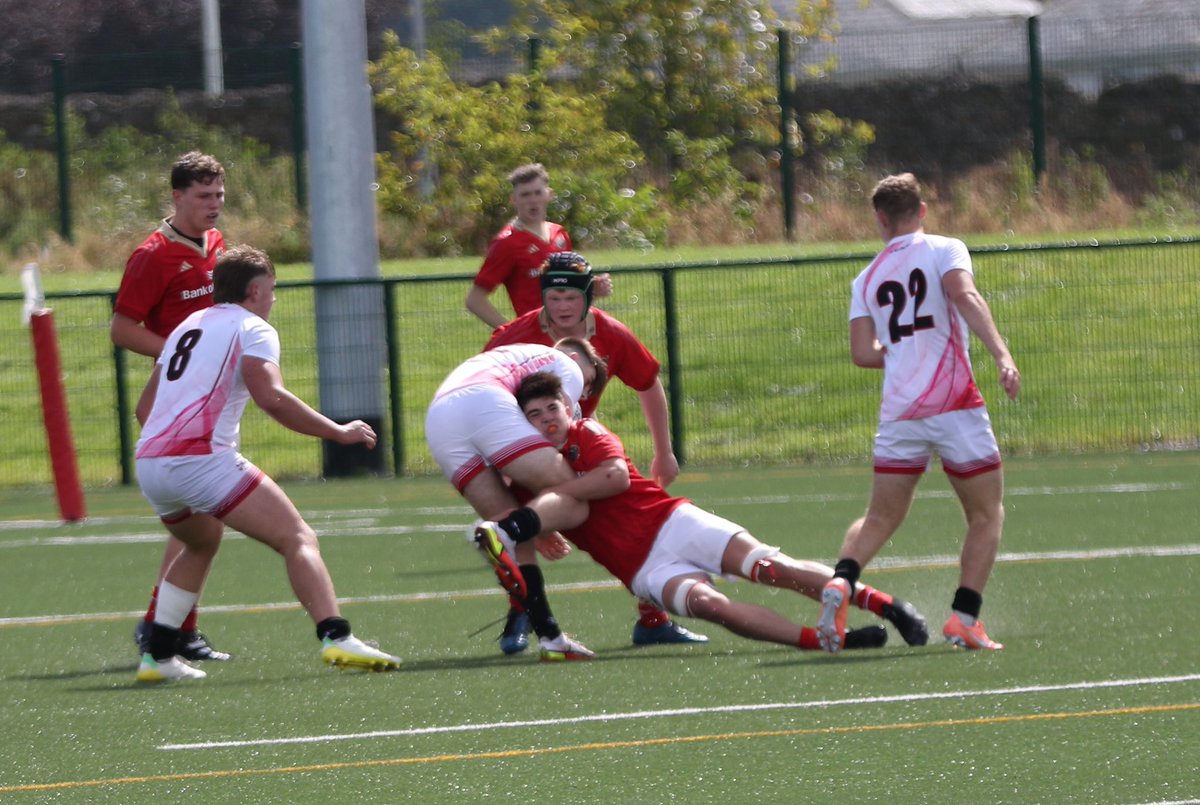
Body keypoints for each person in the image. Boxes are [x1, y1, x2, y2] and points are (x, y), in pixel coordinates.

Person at [474, 371, 929, 654]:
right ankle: (829, 641)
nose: (547, 418)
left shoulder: (587, 431)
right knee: (712, 607)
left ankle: (889, 607)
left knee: (771, 567)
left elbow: (614, 478)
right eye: (534, 415)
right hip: (641, 565)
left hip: (672, 522)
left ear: (568, 407)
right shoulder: (525, 472)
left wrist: (558, 500)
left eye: (552, 407)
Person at [132, 245, 402, 681]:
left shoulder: (188, 325)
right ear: (255, 290)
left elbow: (146, 406)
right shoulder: (252, 327)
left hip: (151, 463)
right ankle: (336, 636)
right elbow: (272, 398)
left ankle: (158, 657)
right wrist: (338, 431)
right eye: (272, 290)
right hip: (200, 461)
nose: (274, 299)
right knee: (297, 536)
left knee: (200, 541)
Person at [816, 172, 1021, 654]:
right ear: (922, 211)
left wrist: (902, 351)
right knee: (986, 513)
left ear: (881, 219)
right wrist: (1002, 355)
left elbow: (863, 354)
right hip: (955, 405)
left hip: (899, 413)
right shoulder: (945, 248)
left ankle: (842, 580)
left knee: (879, 516)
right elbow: (963, 295)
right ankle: (965, 618)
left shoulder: (866, 278)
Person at [483, 250, 704, 653]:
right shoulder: (512, 337)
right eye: (554, 297)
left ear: (588, 298)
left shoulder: (611, 332)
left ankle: (652, 619)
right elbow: (482, 396)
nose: (562, 307)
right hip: (523, 448)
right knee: (515, 529)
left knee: (635, 523)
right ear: (542, 298)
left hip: (581, 443)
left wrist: (663, 451)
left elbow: (648, 383)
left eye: (572, 298)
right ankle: (522, 610)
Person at [111, 151, 230, 662]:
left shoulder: (217, 244)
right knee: (201, 524)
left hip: (207, 393)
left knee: (201, 525)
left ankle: (174, 628)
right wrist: (182, 351)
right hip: (175, 393)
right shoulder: (153, 254)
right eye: (203, 196)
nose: (214, 205)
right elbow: (122, 328)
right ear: (177, 196)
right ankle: (169, 629)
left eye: (219, 195)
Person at [425, 338, 609, 661]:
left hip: (439, 417)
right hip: (483, 401)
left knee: (512, 535)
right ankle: (514, 527)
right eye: (589, 381)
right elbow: (556, 430)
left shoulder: (515, 359)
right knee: (574, 495)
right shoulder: (567, 367)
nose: (584, 391)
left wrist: (537, 518)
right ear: (577, 359)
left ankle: (550, 636)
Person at [465, 162, 611, 329]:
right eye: (525, 195)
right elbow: (475, 300)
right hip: (537, 338)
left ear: (549, 195)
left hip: (570, 333)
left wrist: (592, 290)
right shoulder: (507, 243)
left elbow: (569, 290)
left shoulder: (559, 233)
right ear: (514, 199)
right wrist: (511, 332)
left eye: (537, 193)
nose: (532, 200)